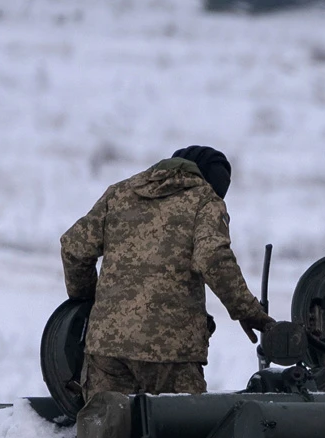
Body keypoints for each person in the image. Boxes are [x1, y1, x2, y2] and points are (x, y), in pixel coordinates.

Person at [60, 145, 274, 399]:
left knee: (105, 433)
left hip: (106, 351)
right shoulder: (205, 200)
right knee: (178, 435)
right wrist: (249, 312)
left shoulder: (119, 193)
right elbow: (213, 258)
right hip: (172, 354)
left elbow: (74, 247)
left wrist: (87, 301)